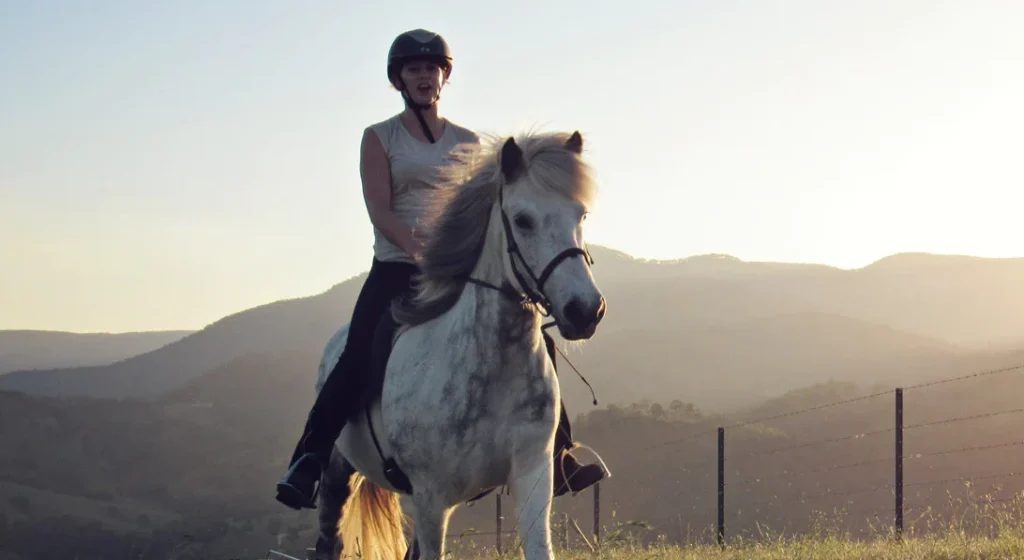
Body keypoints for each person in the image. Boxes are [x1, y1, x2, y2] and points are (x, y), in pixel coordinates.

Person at [275, 28, 608, 511]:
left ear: (443, 77)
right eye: (414, 69)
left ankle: (559, 457)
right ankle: (310, 457)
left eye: (432, 69)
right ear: (400, 79)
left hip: (461, 270)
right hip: (396, 268)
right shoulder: (379, 138)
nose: (424, 76)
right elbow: (381, 211)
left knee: (536, 338)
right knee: (359, 350)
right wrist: (419, 252)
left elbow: (486, 209)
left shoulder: (469, 142)